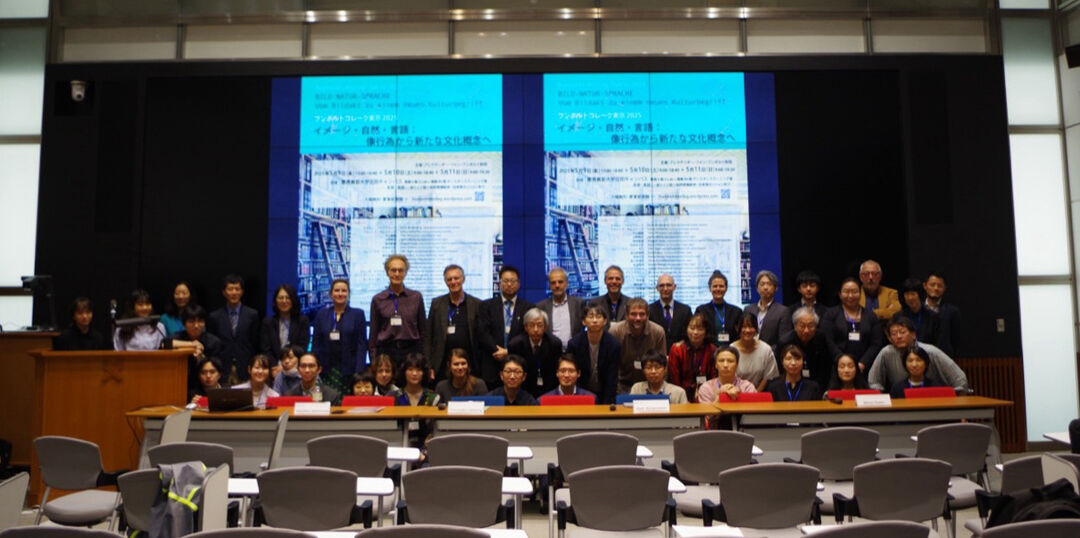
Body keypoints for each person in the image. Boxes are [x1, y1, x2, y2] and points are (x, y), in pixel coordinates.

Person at [868, 316, 969, 393]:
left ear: (914, 335)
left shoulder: (931, 352)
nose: (898, 336)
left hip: (934, 398)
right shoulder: (886, 353)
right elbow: (873, 381)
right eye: (894, 334)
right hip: (901, 402)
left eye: (902, 332)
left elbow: (960, 379)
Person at [477, 265, 534, 387]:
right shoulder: (486, 306)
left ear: (518, 284)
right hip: (492, 364)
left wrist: (508, 351)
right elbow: (483, 333)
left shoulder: (528, 308)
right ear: (500, 283)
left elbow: (527, 335)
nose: (509, 284)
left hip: (518, 367)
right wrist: (497, 351)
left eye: (512, 281)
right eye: (505, 281)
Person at [425, 264, 482, 380]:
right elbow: (428, 337)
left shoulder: (477, 304)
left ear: (463, 279)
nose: (453, 282)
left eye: (456, 278)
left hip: (469, 364)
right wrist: (429, 365)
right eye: (449, 279)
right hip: (442, 363)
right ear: (445, 282)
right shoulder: (437, 304)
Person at [312, 278, 367, 395]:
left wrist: (359, 369)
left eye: (344, 291)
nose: (340, 294)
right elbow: (316, 343)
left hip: (350, 370)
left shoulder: (358, 314)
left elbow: (361, 344)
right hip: (326, 369)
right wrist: (315, 367)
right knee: (328, 400)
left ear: (348, 294)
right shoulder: (321, 314)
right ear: (331, 294)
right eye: (337, 290)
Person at [369, 254, 426, 365]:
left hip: (411, 351)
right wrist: (373, 360)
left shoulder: (416, 297)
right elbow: (373, 334)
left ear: (405, 272)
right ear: (387, 272)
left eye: (401, 270)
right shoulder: (378, 299)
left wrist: (425, 359)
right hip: (386, 352)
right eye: (393, 270)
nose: (397, 274)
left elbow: (423, 331)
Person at [206, 274, 260, 383]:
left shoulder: (252, 314)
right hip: (222, 368)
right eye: (230, 289)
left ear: (242, 291)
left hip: (245, 367)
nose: (234, 292)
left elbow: (255, 342)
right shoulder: (214, 317)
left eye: (237, 289)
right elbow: (212, 344)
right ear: (224, 292)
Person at [822, 278, 884, 372]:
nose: (850, 296)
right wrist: (843, 362)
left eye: (855, 292)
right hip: (837, 366)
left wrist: (863, 363)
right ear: (840, 294)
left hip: (865, 367)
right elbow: (828, 340)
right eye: (846, 292)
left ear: (860, 294)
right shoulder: (831, 314)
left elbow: (876, 343)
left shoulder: (871, 316)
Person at [564, 305, 620, 404]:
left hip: (605, 391)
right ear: (583, 321)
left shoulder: (613, 345)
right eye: (590, 317)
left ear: (605, 321)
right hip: (581, 392)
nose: (594, 321)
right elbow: (574, 375)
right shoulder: (574, 344)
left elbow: (612, 378)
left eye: (598, 317)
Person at [609, 298, 666, 393]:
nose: (638, 318)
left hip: (650, 385)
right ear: (626, 315)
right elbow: (610, 365)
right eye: (633, 314)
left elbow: (662, 364)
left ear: (648, 315)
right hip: (621, 385)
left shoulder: (657, 332)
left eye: (642, 314)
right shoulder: (615, 331)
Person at [508, 308, 563, 397]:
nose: (536, 329)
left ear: (545, 327)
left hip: (548, 387)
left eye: (539, 325)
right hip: (523, 388)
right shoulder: (515, 345)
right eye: (531, 325)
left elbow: (555, 370)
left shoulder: (554, 344)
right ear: (525, 327)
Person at [170, 305, 223, 395]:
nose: (196, 325)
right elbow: (164, 344)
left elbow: (216, 368)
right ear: (184, 323)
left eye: (200, 321)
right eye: (191, 321)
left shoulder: (213, 342)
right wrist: (192, 345)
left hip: (205, 387)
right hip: (180, 384)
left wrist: (201, 359)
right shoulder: (179, 336)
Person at [777, 306, 833, 388]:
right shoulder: (785, 342)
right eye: (802, 326)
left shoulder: (821, 339)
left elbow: (825, 367)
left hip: (817, 384)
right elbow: (781, 369)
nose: (806, 330)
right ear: (795, 326)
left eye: (810, 326)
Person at [667, 313, 718, 401]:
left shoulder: (712, 349)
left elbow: (714, 377)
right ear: (686, 329)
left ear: (706, 331)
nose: (695, 332)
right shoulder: (677, 349)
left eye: (700, 329)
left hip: (707, 395)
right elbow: (674, 379)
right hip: (681, 395)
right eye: (692, 328)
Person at [536, 267, 585, 350]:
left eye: (560, 282)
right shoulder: (541, 306)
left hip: (574, 352)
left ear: (567, 283)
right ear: (549, 286)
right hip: (550, 353)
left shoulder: (579, 304)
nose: (557, 285)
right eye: (553, 283)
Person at [259, 283, 310, 363]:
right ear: (275, 300)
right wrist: (275, 366)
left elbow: (302, 347)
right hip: (273, 367)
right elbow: (265, 349)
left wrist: (288, 363)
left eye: (288, 298)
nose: (284, 301)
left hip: (296, 366)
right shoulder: (268, 322)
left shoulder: (302, 321)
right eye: (280, 298)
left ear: (293, 300)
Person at [731, 312, 780, 392]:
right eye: (743, 327)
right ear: (737, 328)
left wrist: (755, 394)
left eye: (751, 327)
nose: (747, 330)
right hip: (736, 393)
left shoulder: (766, 349)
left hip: (759, 394)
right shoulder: (731, 350)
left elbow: (768, 377)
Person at [743, 270, 793, 347]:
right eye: (762, 284)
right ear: (757, 288)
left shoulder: (783, 311)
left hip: (771, 355)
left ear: (775, 288)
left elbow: (784, 340)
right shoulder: (748, 309)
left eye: (769, 284)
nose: (765, 287)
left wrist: (766, 353)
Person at [694, 270, 742, 346]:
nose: (718, 289)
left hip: (731, 352)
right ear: (710, 288)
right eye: (715, 286)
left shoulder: (736, 311)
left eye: (721, 286)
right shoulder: (701, 310)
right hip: (708, 353)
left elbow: (739, 335)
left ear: (726, 288)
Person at [648, 274, 692, 353]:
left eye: (668, 285)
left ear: (674, 287)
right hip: (657, 356)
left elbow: (689, 334)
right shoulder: (649, 310)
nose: (665, 288)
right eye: (661, 286)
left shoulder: (685, 310)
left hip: (680, 354)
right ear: (657, 288)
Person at [924, 271, 960, 357]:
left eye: (940, 286)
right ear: (925, 286)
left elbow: (955, 339)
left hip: (944, 358)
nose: (936, 288)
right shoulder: (918, 309)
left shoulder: (952, 311)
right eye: (932, 285)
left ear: (944, 288)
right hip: (920, 359)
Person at [899, 277, 941, 348]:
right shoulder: (898, 317)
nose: (910, 298)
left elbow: (938, 342)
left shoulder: (933, 317)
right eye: (907, 294)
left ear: (919, 295)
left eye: (913, 294)